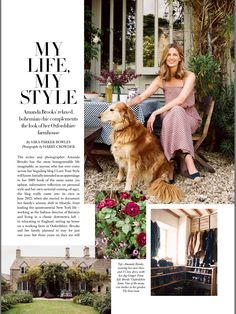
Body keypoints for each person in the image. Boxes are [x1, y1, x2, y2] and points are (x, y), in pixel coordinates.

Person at [127, 43, 202, 183]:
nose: (171, 57)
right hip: (169, 118)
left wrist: (155, 112)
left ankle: (172, 164)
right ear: (165, 58)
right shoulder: (161, 79)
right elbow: (142, 97)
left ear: (180, 58)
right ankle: (187, 160)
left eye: (175, 54)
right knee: (174, 112)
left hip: (189, 118)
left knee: (177, 109)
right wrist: (126, 104)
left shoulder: (190, 76)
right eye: (169, 54)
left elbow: (180, 100)